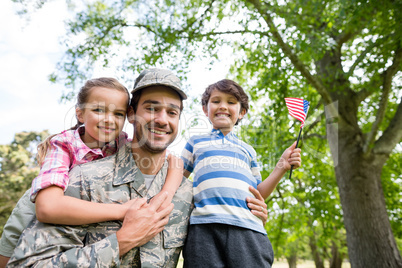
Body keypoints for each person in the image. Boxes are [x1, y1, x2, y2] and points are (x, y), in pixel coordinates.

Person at [4, 69, 268, 267]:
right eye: (151, 108)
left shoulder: (188, 194)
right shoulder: (82, 178)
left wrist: (252, 209)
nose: (162, 120)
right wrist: (120, 242)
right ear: (131, 114)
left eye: (172, 112)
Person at [0, 77, 183, 265]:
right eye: (98, 110)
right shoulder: (64, 145)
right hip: (37, 206)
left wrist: (173, 179)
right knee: (7, 258)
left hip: (78, 211)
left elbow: (159, 153)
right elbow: (47, 208)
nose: (109, 120)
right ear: (80, 114)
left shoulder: (120, 142)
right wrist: (120, 210)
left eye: (118, 113)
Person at [181, 79, 302, 268]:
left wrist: (282, 166)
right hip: (204, 228)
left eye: (231, 102)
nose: (223, 106)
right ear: (205, 109)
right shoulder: (196, 142)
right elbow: (178, 179)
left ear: (242, 112)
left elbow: (258, 193)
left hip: (247, 228)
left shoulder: (248, 150)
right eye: (216, 101)